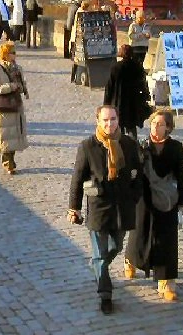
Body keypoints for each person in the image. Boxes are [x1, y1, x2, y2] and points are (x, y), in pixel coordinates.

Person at [67, 105, 142, 315]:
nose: (110, 124)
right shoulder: (88, 146)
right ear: (98, 122)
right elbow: (77, 179)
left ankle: (98, 266)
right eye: (105, 120)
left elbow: (139, 173)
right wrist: (74, 207)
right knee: (101, 254)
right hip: (99, 208)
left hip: (122, 208)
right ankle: (105, 295)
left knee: (115, 247)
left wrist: (134, 197)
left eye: (113, 119)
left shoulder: (128, 144)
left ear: (118, 120)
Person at [124, 110, 183, 302]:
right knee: (140, 233)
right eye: (153, 123)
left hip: (167, 198)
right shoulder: (142, 146)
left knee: (167, 240)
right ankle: (131, 259)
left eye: (160, 124)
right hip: (144, 197)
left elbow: (181, 174)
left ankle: (165, 280)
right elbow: (132, 172)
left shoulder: (175, 147)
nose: (156, 127)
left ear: (168, 127)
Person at [0, 42, 29, 174]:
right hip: (4, 106)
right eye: (13, 52)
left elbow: (21, 84)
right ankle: (8, 163)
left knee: (14, 136)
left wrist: (22, 88)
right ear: (5, 54)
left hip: (16, 104)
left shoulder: (18, 68)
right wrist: (9, 87)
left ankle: (11, 160)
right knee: (5, 136)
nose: (15, 55)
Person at [103, 44, 151, 139]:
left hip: (118, 101)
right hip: (133, 101)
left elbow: (109, 87)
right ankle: (133, 144)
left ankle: (119, 143)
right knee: (131, 126)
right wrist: (145, 96)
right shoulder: (137, 66)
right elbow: (143, 83)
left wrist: (106, 103)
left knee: (118, 125)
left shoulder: (116, 67)